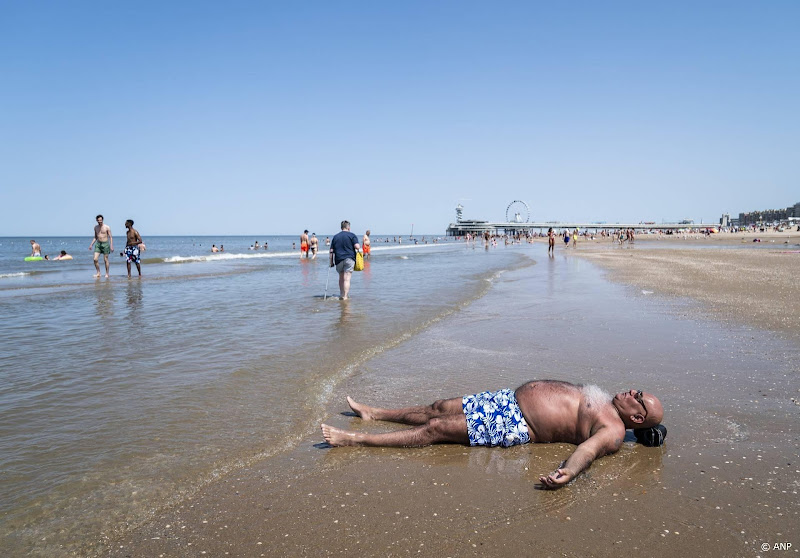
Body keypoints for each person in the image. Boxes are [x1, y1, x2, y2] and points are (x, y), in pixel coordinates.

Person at [321, 380, 664, 489]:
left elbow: (588, 450)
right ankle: (374, 413)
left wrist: (568, 472)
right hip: (505, 400)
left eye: (639, 399)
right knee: (438, 407)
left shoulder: (615, 431)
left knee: (436, 429)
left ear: (636, 417)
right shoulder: (607, 401)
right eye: (637, 390)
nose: (633, 392)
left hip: (514, 423)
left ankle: (355, 439)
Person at [329, 220, 361, 300]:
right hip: (349, 259)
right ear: (348, 228)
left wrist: (331, 262)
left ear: (341, 227)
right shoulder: (352, 235)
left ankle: (341, 294)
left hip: (338, 259)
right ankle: (345, 296)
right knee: (347, 279)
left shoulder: (336, 237)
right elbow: (357, 246)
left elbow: (331, 251)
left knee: (341, 278)